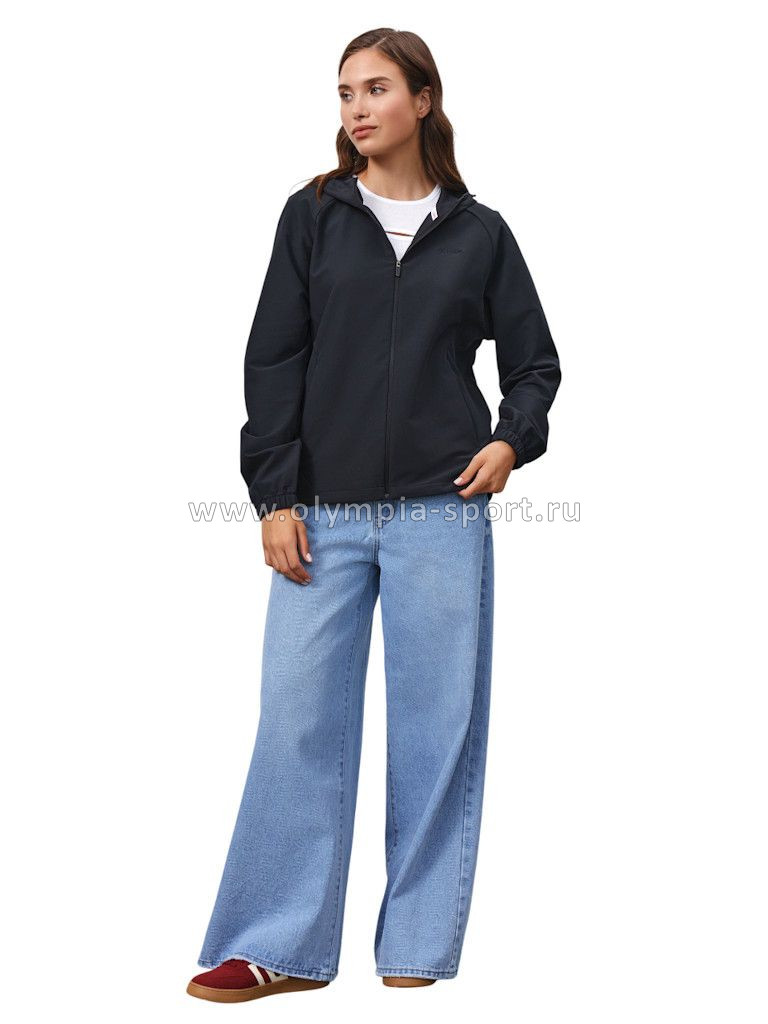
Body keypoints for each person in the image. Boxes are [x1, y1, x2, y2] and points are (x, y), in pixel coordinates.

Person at [187, 27, 561, 1002]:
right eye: (346, 92)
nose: (357, 107)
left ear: (423, 100)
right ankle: (275, 944)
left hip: (445, 508)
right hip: (325, 511)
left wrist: (512, 440)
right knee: (298, 720)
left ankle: (417, 943)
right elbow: (274, 361)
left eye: (377, 88)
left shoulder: (480, 233)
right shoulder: (314, 216)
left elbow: (534, 361)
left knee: (438, 729)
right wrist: (275, 495)